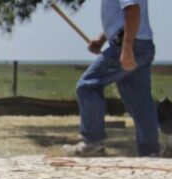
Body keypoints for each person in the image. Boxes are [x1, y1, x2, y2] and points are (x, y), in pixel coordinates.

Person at [66, 0, 159, 157]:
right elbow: (122, 16)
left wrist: (127, 48)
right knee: (140, 101)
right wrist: (102, 39)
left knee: (88, 86)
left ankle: (92, 142)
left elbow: (133, 11)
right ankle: (150, 152)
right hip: (142, 44)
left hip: (130, 44)